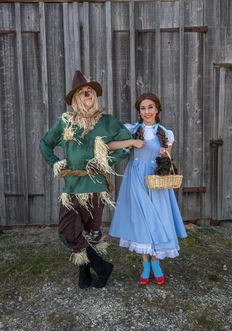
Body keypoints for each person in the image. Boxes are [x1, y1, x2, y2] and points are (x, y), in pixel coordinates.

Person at [39, 70, 132, 289]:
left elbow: (126, 144)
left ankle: (85, 273)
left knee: (92, 233)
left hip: (96, 187)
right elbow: (45, 143)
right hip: (72, 187)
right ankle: (101, 266)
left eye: (88, 89)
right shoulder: (64, 123)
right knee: (67, 231)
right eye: (81, 91)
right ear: (75, 98)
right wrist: (55, 162)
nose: (86, 92)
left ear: (94, 95)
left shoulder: (107, 122)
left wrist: (106, 160)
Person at [108, 93, 187, 285]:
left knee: (157, 219)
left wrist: (164, 152)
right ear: (140, 112)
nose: (146, 112)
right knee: (141, 221)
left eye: (150, 107)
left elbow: (167, 159)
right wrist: (131, 142)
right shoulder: (132, 129)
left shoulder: (165, 133)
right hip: (135, 179)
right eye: (143, 108)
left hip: (156, 180)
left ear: (157, 109)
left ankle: (156, 263)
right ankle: (145, 266)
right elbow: (109, 145)